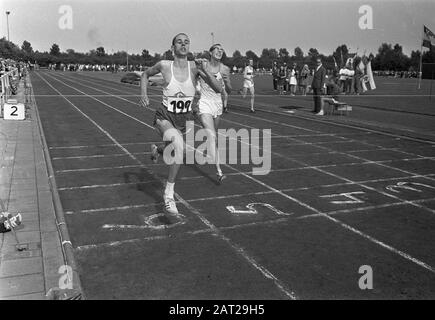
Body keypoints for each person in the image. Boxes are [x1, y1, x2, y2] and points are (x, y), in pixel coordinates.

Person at [140, 33, 222, 214]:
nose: (183, 45)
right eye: (179, 42)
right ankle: (168, 195)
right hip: (164, 116)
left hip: (183, 119)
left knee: (172, 147)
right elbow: (145, 75)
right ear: (173, 48)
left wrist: (205, 70)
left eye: (186, 42)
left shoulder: (196, 68)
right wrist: (144, 94)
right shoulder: (164, 65)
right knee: (179, 146)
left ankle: (157, 149)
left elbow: (218, 89)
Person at [196, 44, 232, 183]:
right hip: (204, 104)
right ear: (210, 52)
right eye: (216, 49)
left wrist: (227, 81)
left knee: (213, 137)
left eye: (221, 49)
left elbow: (228, 91)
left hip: (217, 105)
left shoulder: (225, 69)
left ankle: (159, 149)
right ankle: (219, 171)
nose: (219, 51)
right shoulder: (202, 64)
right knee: (212, 137)